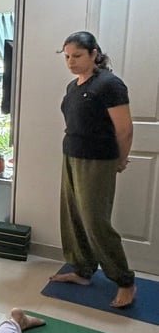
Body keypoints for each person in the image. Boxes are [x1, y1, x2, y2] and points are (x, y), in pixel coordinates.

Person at [49, 30, 135, 308]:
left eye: (77, 56)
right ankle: (82, 270)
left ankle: (125, 281)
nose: (71, 62)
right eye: (67, 57)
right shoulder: (73, 87)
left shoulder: (110, 84)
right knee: (73, 216)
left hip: (98, 160)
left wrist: (121, 159)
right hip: (71, 155)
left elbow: (124, 129)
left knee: (96, 221)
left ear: (94, 54)